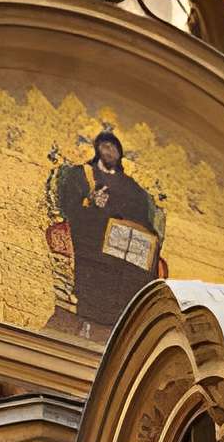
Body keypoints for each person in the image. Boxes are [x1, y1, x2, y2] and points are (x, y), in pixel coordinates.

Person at [49, 130, 165, 329]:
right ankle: (90, 314)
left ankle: (128, 318)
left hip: (124, 241)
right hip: (89, 232)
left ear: (120, 153)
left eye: (113, 148)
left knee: (144, 258)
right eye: (104, 146)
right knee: (101, 258)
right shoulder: (82, 174)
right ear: (97, 149)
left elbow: (143, 218)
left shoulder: (133, 188)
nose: (109, 151)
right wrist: (92, 203)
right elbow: (70, 207)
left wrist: (146, 235)